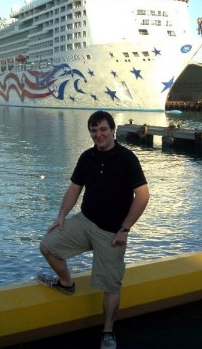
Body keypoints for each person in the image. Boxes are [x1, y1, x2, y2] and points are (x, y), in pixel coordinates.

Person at [37, 110, 150, 349]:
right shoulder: (87, 156)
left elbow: (142, 196)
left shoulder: (126, 158)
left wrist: (125, 228)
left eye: (102, 129)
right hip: (85, 220)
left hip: (112, 231)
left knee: (110, 284)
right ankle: (66, 283)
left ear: (112, 130)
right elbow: (75, 188)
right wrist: (61, 217)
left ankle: (108, 331)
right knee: (47, 245)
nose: (98, 134)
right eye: (93, 130)